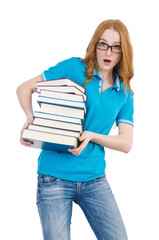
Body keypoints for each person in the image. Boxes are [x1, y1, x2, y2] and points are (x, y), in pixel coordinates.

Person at [16, 19, 134, 240]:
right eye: (103, 44)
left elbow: (126, 143)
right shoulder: (75, 68)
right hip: (54, 177)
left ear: (123, 51)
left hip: (94, 178)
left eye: (116, 46)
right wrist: (30, 119)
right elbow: (24, 88)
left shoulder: (124, 92)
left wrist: (91, 136)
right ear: (94, 45)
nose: (108, 52)